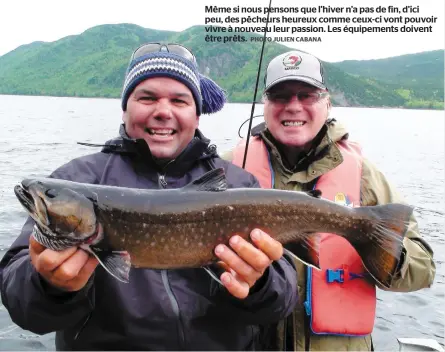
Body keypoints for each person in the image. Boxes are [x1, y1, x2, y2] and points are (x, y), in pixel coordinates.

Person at [0, 43, 299, 350]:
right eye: (147, 98)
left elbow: (281, 302)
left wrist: (260, 283)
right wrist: (50, 287)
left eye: (179, 100)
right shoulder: (73, 180)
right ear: (125, 107)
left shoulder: (239, 185)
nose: (163, 112)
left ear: (197, 114)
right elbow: (21, 303)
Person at [226, 49, 436, 351]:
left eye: (306, 95)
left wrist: (380, 249)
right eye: (281, 96)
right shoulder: (230, 166)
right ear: (265, 105)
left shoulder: (364, 174)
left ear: (327, 102)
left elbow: (424, 268)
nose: (293, 107)